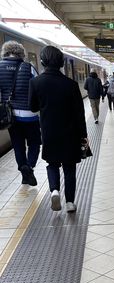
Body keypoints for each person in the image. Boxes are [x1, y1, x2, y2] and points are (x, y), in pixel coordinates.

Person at [29, 45, 87, 213]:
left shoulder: (35, 82)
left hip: (49, 131)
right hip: (70, 133)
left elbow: (32, 107)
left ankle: (55, 190)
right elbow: (79, 114)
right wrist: (83, 135)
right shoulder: (71, 84)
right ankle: (70, 202)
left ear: (42, 61)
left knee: (52, 164)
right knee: (69, 168)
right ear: (62, 63)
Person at [0, 41, 41, 186]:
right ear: (21, 53)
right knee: (35, 142)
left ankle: (24, 170)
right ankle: (29, 167)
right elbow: (38, 88)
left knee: (18, 145)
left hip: (10, 116)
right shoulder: (28, 67)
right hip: (30, 115)